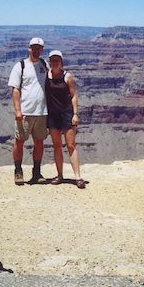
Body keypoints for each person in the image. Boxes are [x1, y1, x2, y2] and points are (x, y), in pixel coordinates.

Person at [8, 37, 48, 185]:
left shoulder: (45, 65)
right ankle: (18, 171)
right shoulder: (20, 66)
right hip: (25, 112)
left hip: (42, 112)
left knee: (39, 142)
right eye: (33, 48)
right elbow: (15, 89)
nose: (36, 50)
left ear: (42, 50)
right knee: (19, 142)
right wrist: (17, 110)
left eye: (39, 48)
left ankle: (36, 172)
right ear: (29, 48)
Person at [45, 50, 86, 189]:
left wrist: (75, 114)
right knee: (57, 146)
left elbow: (74, 95)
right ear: (49, 61)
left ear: (61, 61)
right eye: (52, 59)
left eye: (57, 59)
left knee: (70, 145)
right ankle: (60, 175)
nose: (55, 62)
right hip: (52, 115)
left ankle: (78, 177)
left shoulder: (67, 76)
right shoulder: (46, 75)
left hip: (66, 114)